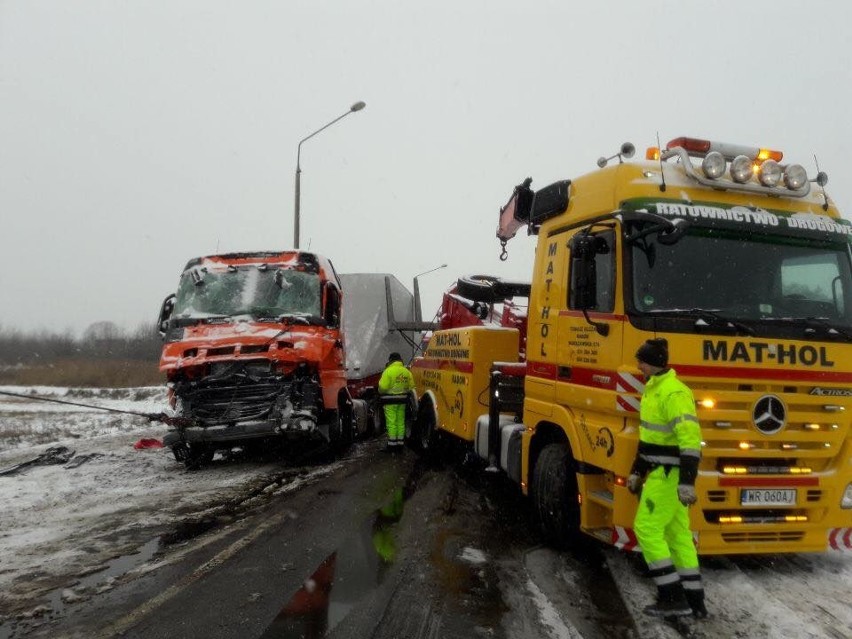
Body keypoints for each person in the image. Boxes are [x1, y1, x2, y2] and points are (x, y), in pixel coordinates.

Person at [627, 338, 708, 619]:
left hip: (668, 476)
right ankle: (694, 599)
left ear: (654, 363)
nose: (638, 366)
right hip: (663, 473)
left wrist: (687, 481)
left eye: (642, 361)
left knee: (646, 528)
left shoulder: (673, 394)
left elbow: (690, 441)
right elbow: (648, 438)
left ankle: (671, 597)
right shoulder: (654, 389)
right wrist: (637, 471)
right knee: (677, 535)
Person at [378, 352, 415, 450]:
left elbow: (383, 387)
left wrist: (381, 391)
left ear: (390, 360)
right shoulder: (406, 371)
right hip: (403, 400)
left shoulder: (388, 371)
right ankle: (400, 443)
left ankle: (392, 445)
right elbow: (411, 387)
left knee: (391, 422)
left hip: (389, 400)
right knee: (400, 421)